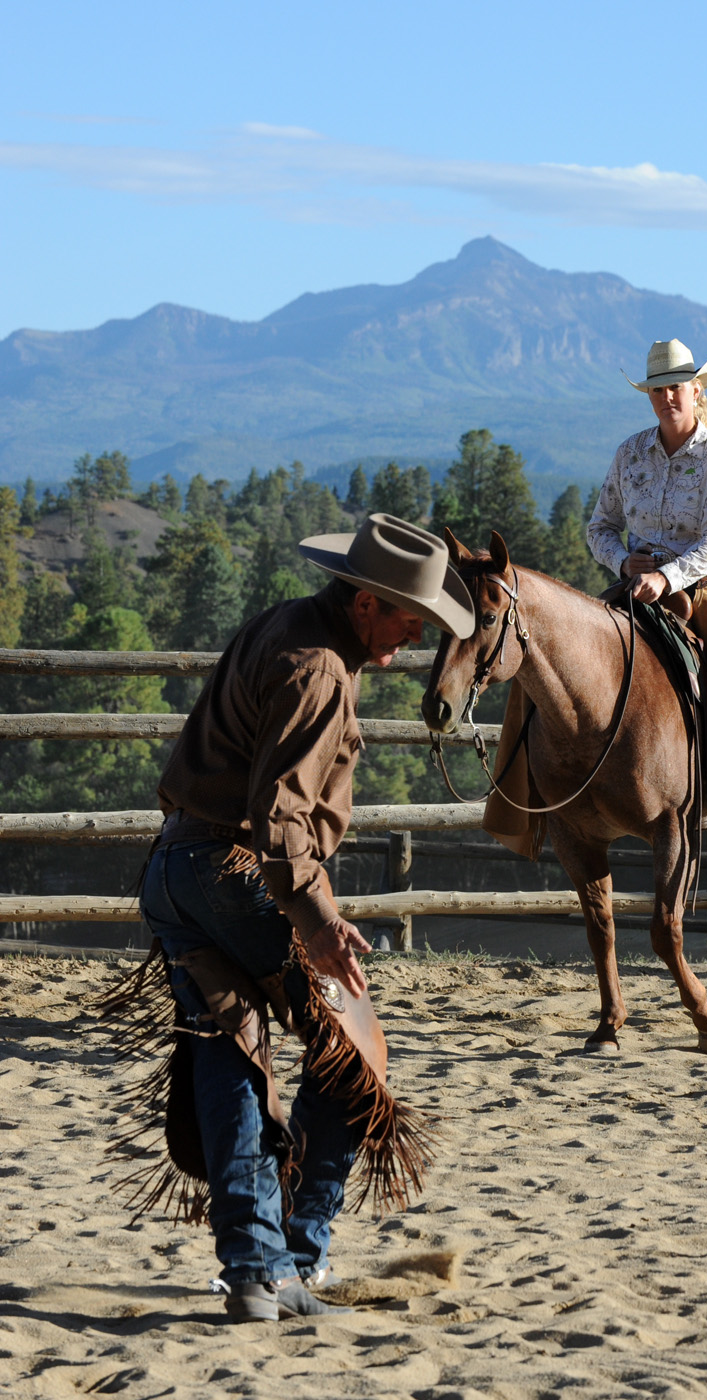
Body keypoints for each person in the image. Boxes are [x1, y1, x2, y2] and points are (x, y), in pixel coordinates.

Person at [126, 513, 475, 1324]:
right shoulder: (321, 669)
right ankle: (300, 1253)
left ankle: (252, 1269)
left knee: (232, 1052)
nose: (413, 634)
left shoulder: (280, 623)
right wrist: (317, 918)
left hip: (174, 867)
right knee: (355, 1051)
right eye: (404, 616)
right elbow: (279, 814)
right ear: (362, 603)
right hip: (233, 871)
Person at [586, 339, 707, 852]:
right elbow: (599, 527)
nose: (667, 397)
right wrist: (621, 562)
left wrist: (668, 578)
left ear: (696, 390)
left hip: (704, 586)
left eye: (676, 387)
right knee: (554, 650)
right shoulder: (628, 454)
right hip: (634, 581)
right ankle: (541, 796)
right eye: (658, 390)